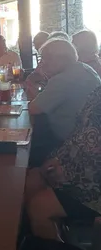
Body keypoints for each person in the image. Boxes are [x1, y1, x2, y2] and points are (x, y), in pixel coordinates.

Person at [26, 86, 101, 240]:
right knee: (31, 180)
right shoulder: (98, 92)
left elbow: (91, 148)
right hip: (81, 170)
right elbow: (79, 135)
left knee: (39, 207)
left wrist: (67, 170)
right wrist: (58, 159)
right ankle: (59, 233)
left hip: (93, 186)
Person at [28, 39, 101, 166]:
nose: (42, 64)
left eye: (45, 59)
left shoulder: (62, 80)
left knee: (26, 142)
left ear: (59, 60)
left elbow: (34, 108)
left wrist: (32, 89)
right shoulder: (84, 68)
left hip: (71, 145)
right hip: (90, 140)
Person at [25, 32, 49, 100]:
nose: (35, 48)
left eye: (37, 45)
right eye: (35, 45)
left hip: (46, 97)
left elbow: (47, 79)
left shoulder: (52, 60)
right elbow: (35, 73)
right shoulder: (43, 59)